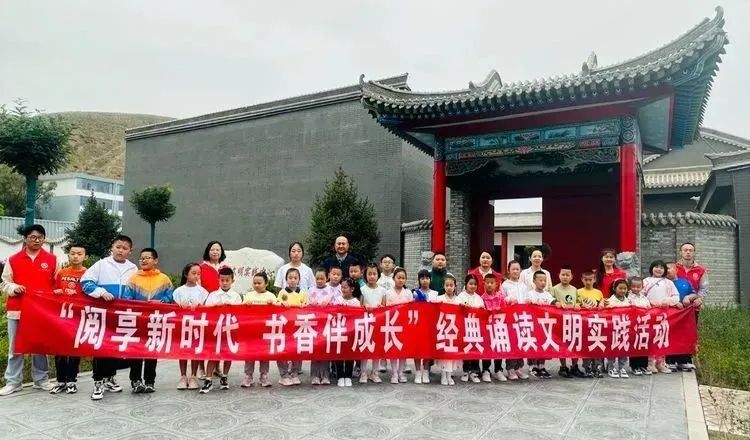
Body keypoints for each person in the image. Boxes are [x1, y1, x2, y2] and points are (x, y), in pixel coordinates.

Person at [0, 224, 59, 396]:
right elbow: (5, 282)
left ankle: (41, 379)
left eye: (40, 237)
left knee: (40, 345)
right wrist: (14, 288)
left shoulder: (52, 259)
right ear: (25, 239)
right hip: (17, 310)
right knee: (15, 347)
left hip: (41, 312)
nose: (37, 240)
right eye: (33, 237)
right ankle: (13, 382)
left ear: (44, 239)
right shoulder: (14, 259)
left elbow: (58, 283)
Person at [81, 234, 137, 400]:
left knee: (115, 347)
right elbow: (85, 282)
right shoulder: (101, 265)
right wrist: (101, 292)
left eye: (124, 248)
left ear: (130, 251)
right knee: (100, 347)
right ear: (111, 248)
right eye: (118, 247)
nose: (120, 251)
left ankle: (110, 377)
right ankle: (98, 381)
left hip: (122, 316)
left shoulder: (133, 269)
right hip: (103, 314)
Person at [122, 248, 174, 394]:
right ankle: (136, 381)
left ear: (155, 260)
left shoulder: (164, 279)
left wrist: (162, 301)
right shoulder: (133, 279)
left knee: (152, 352)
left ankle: (150, 381)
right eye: (142, 258)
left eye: (148, 258)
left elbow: (171, 295)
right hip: (137, 321)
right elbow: (126, 299)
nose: (144, 260)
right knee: (136, 352)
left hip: (155, 321)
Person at [50, 243, 88, 395]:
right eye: (72, 253)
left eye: (79, 254)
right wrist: (57, 292)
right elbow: (54, 290)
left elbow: (90, 294)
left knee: (74, 350)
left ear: (85, 256)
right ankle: (60, 381)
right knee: (60, 350)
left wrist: (79, 296)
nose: (75, 256)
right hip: (62, 316)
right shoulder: (62, 272)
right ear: (68, 255)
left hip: (78, 317)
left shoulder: (88, 274)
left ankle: (72, 381)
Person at [200, 267, 242, 394]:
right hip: (215, 330)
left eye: (227, 280)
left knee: (228, 354)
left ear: (232, 281)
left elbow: (240, 313)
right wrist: (215, 307)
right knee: (213, 354)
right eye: (222, 280)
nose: (224, 283)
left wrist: (231, 307)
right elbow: (206, 310)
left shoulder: (236, 296)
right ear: (218, 280)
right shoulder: (212, 295)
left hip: (230, 330)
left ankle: (224, 376)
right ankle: (208, 379)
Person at [172, 263, 209, 390]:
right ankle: (183, 376)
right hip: (182, 325)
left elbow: (207, 308)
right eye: (193, 273)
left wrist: (200, 306)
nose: (196, 276)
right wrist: (179, 306)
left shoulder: (203, 292)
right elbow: (173, 308)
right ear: (186, 274)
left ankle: (193, 376)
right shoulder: (178, 291)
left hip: (197, 325)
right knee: (182, 350)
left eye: (199, 274)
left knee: (195, 350)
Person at [674, 242, 706, 371]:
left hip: (692, 307)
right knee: (674, 332)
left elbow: (703, 288)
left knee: (689, 333)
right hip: (676, 306)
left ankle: (686, 360)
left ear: (694, 253)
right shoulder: (674, 268)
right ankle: (671, 360)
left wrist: (700, 299)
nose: (688, 252)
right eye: (685, 250)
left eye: (690, 250)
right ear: (680, 252)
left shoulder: (701, 270)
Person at [643, 260, 680, 374]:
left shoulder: (669, 283)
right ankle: (650, 363)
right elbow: (640, 294)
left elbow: (676, 296)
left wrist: (667, 301)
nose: (658, 269)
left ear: (664, 270)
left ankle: (661, 363)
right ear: (651, 268)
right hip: (649, 313)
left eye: (661, 268)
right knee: (650, 337)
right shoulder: (646, 281)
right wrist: (647, 303)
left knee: (662, 338)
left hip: (664, 314)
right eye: (656, 267)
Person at [241, 272, 276, 388]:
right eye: (254, 283)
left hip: (266, 331)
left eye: (259, 283)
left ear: (266, 283)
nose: (256, 285)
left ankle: (264, 375)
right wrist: (245, 305)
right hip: (251, 331)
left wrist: (273, 305)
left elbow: (278, 312)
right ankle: (248, 376)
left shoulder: (271, 296)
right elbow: (240, 310)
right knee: (249, 354)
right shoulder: (248, 295)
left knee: (264, 354)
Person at [276, 267, 308, 386]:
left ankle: (295, 373)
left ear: (299, 280)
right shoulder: (282, 292)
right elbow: (276, 304)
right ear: (286, 279)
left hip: (298, 326)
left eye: (295, 278)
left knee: (297, 349)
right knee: (282, 349)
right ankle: (283, 375)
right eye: (290, 278)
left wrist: (304, 306)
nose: (293, 280)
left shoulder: (303, 293)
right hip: (285, 326)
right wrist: (281, 303)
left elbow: (307, 305)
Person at [551, 265, 583, 378]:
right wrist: (557, 303)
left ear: (572, 276)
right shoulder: (554, 289)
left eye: (567, 275)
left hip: (573, 321)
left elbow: (579, 301)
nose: (565, 277)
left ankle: (574, 366)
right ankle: (563, 366)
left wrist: (578, 304)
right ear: (559, 275)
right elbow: (550, 301)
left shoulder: (575, 289)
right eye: (563, 274)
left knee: (575, 343)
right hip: (560, 321)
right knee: (562, 344)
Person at [500, 260, 530, 381]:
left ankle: (518, 367)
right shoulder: (505, 285)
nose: (515, 271)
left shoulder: (523, 285)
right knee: (512, 342)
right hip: (511, 319)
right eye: (513, 269)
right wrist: (509, 299)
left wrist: (528, 300)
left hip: (522, 318)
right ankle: (510, 368)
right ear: (509, 270)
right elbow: (502, 299)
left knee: (521, 343)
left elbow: (527, 297)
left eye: (518, 269)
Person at [525, 271, 556, 378]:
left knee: (543, 345)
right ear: (534, 281)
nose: (543, 282)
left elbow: (553, 302)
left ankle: (541, 366)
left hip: (545, 326)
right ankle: (532, 366)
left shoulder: (547, 294)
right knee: (533, 345)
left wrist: (559, 303)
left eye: (544, 280)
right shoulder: (530, 294)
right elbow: (526, 304)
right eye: (540, 280)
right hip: (533, 325)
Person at [384, 267, 412, 384]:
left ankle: (401, 372)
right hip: (392, 324)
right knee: (393, 349)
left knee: (403, 349)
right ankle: (394, 372)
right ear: (393, 278)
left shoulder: (408, 293)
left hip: (404, 324)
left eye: (403, 278)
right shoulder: (388, 293)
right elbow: (385, 309)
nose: (400, 280)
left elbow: (411, 309)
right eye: (398, 277)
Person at [360, 263, 386, 384]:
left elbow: (385, 306)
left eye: (374, 274)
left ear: (378, 275)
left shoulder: (382, 290)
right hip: (365, 323)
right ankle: (363, 372)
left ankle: (375, 373)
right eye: (369, 274)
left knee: (377, 349)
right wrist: (365, 306)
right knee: (365, 348)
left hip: (378, 323)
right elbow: (360, 306)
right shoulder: (362, 289)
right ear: (365, 275)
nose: (372, 276)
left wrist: (381, 307)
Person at [308, 267, 335, 385]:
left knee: (325, 349)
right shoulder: (311, 289)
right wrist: (313, 304)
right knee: (314, 349)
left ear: (327, 278)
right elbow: (307, 304)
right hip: (314, 324)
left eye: (322, 278)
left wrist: (327, 304)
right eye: (317, 278)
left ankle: (325, 375)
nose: (319, 281)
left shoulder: (331, 290)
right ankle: (314, 375)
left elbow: (335, 304)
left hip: (326, 324)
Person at [333, 278, 361, 387]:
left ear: (352, 289)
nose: (343, 289)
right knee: (339, 353)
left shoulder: (356, 302)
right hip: (339, 331)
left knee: (350, 354)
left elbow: (358, 317)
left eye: (345, 287)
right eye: (342, 287)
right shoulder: (337, 300)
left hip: (351, 332)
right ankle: (340, 376)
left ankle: (348, 376)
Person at [577, 270, 605, 378]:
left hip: (596, 323)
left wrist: (602, 304)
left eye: (590, 280)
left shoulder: (598, 292)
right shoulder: (578, 292)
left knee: (597, 345)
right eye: (586, 280)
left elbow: (602, 303)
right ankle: (587, 367)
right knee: (586, 345)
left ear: (594, 280)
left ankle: (596, 366)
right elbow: (576, 304)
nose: (588, 282)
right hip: (584, 323)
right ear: (582, 280)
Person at [412, 269, 438, 383]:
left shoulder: (435, 293)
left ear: (430, 280)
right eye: (422, 278)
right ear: (419, 280)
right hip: (417, 324)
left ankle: (426, 371)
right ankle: (418, 372)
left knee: (427, 348)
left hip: (430, 325)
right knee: (417, 348)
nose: (425, 280)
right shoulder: (414, 293)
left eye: (427, 278)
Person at [457, 274, 484, 383]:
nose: (473, 286)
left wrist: (481, 309)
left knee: (475, 349)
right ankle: (466, 371)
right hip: (465, 328)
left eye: (475, 284)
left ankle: (474, 372)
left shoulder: (479, 298)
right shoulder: (461, 296)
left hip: (476, 329)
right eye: (470, 284)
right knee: (466, 349)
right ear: (466, 284)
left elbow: (483, 312)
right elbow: (456, 308)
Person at [480, 273, 507, 382]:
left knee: (498, 348)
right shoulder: (482, 298)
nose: (490, 285)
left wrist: (499, 310)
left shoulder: (500, 297)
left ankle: (498, 370)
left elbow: (505, 310)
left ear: (496, 284)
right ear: (484, 283)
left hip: (498, 327)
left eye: (492, 283)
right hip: (487, 329)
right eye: (488, 283)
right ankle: (486, 370)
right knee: (487, 349)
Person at [436, 274, 461, 386]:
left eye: (451, 285)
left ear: (455, 286)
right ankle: (443, 375)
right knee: (444, 353)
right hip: (443, 329)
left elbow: (465, 310)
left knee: (451, 354)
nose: (449, 287)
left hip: (454, 330)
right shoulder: (439, 298)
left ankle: (449, 375)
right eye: (447, 285)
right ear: (444, 286)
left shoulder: (459, 299)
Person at [606, 279, 631, 378]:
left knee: (623, 349)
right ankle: (611, 367)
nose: (623, 290)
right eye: (620, 288)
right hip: (613, 329)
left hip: (625, 329)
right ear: (614, 288)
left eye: (625, 288)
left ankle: (622, 367)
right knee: (612, 349)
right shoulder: (609, 301)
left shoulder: (628, 301)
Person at [627, 276, 651, 376]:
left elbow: (649, 308)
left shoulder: (644, 298)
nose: (636, 288)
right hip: (633, 325)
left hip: (644, 325)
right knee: (634, 345)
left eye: (638, 286)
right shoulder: (628, 298)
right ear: (630, 286)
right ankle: (634, 366)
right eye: (633, 286)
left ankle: (643, 365)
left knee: (644, 345)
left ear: (642, 287)